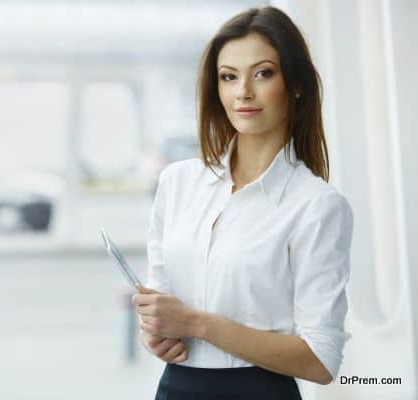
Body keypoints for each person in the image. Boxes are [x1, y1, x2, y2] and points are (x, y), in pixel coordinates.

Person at [132, 6, 354, 400]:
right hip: (176, 387)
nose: (243, 92)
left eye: (263, 73)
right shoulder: (177, 183)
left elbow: (321, 359)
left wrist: (199, 325)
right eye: (229, 77)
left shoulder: (317, 206)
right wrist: (158, 333)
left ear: (297, 84)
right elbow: (163, 300)